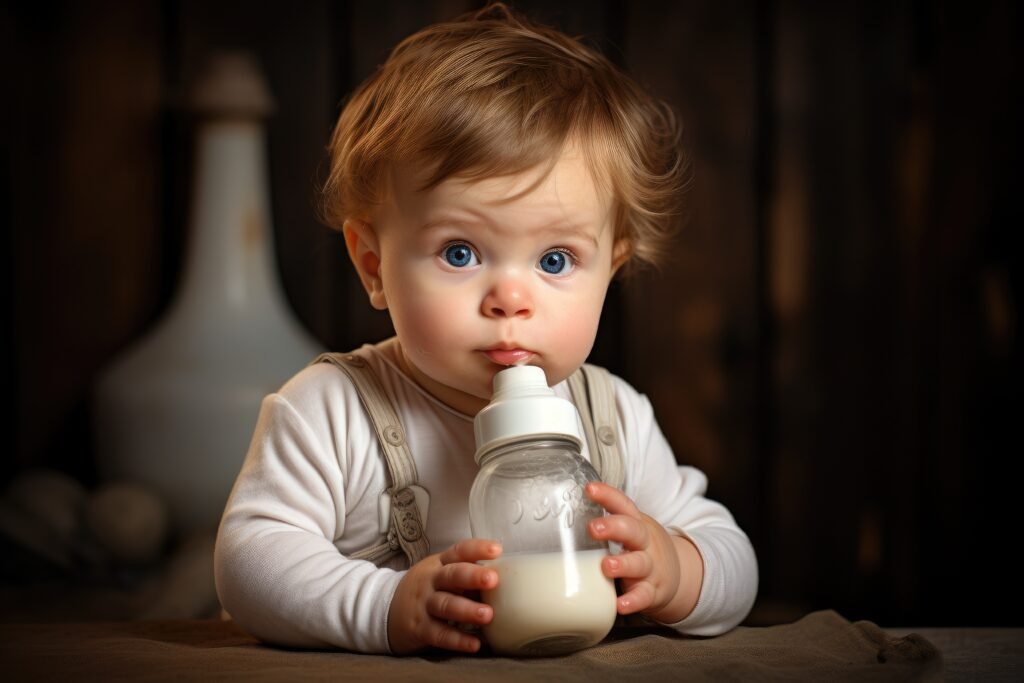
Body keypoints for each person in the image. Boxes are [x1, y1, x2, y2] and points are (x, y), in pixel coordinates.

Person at [214, 2, 757, 655]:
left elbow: (736, 561)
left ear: (610, 269)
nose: (510, 299)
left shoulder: (613, 419)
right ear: (373, 265)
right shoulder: (333, 411)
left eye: (555, 260)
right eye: (460, 252)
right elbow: (250, 559)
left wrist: (675, 567)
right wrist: (381, 605)